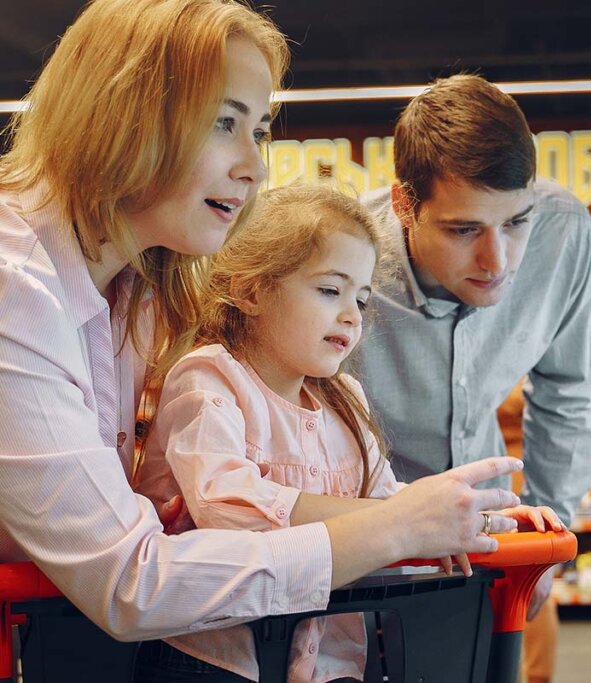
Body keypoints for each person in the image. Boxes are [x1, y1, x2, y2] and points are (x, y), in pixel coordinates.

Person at [0, 0, 521, 651]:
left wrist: (466, 517)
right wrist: (395, 529)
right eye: (225, 122)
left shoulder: (130, 290)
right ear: (125, 115)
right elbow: (130, 581)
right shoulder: (15, 288)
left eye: (260, 131)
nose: (256, 167)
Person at [133, 184, 564, 682]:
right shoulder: (209, 378)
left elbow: (387, 502)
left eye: (360, 298)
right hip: (212, 659)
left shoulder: (346, 399)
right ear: (251, 290)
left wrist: (489, 518)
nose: (351, 316)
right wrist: (402, 519)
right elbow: (228, 507)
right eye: (329, 290)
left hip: (333, 663)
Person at [355, 74, 591, 678]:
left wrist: (547, 535)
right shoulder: (347, 259)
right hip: (371, 558)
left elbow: (570, 391)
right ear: (404, 205)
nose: (499, 261)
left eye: (516, 222)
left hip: (496, 542)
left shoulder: (563, 230)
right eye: (464, 230)